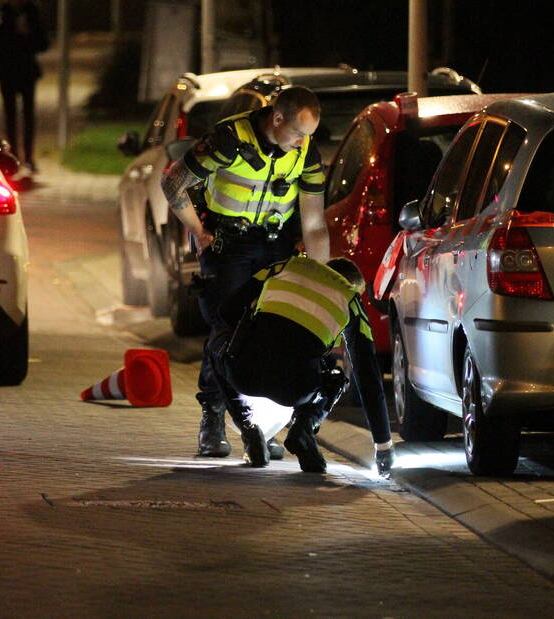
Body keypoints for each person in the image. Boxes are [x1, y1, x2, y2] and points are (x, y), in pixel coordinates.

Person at [161, 86, 331, 459]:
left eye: (309, 135)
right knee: (227, 330)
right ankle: (213, 417)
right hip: (229, 246)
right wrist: (198, 230)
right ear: (277, 118)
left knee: (270, 334)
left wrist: (322, 280)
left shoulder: (305, 153)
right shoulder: (229, 140)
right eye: (298, 133)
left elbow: (315, 223)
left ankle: (262, 425)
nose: (303, 142)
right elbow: (174, 183)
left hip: (275, 245)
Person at [211, 255, 395, 475]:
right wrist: (383, 446)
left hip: (245, 374)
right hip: (296, 389)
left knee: (216, 344)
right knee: (334, 377)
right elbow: (368, 376)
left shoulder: (283, 267)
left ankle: (249, 430)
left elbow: (226, 311)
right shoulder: (350, 299)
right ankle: (304, 429)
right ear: (353, 286)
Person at [0, 0, 48, 173]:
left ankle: (29, 157)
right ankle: (13, 155)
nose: (15, 0)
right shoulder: (1, 16)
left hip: (26, 72)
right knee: (10, 116)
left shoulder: (32, 14)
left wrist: (28, 34)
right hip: (7, 72)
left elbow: (43, 44)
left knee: (28, 115)